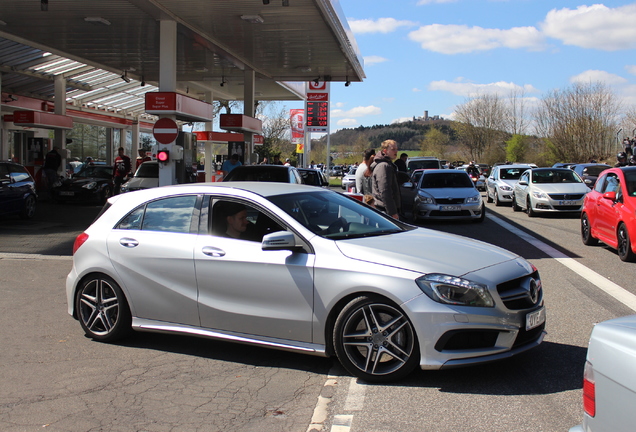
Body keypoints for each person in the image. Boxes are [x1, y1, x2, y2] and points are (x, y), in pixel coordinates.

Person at [370, 139, 401, 219]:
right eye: (393, 149)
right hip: (385, 211)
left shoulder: (387, 165)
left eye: (397, 149)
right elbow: (385, 191)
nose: (396, 151)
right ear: (385, 151)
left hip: (385, 210)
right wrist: (392, 212)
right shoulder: (384, 166)